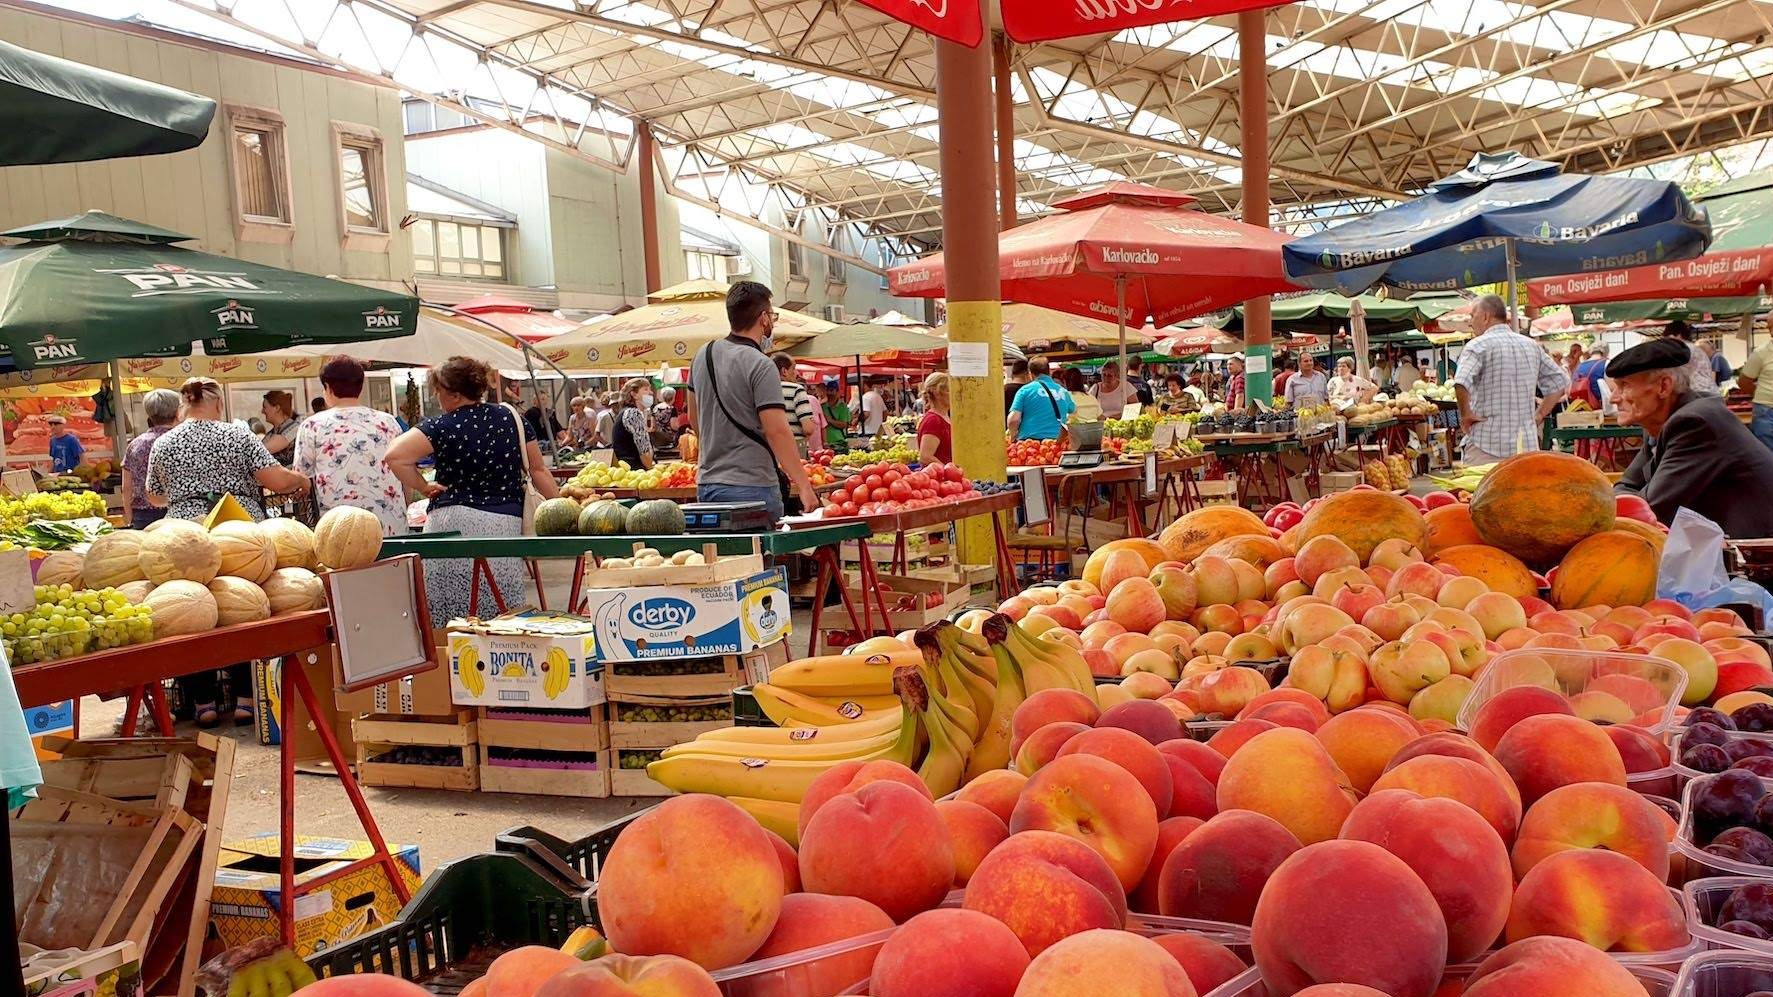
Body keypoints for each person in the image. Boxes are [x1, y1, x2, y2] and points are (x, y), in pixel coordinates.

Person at [149, 377, 311, 727]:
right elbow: (275, 481)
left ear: (183, 404)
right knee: (240, 607)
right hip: (237, 532)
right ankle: (244, 700)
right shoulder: (237, 435)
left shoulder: (165, 442)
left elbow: (154, 495)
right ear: (218, 403)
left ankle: (203, 703)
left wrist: (188, 497)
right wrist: (300, 480)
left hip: (183, 536)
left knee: (188, 614)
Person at [385, 357, 559, 627]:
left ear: (454, 394)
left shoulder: (440, 426)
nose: (437, 396)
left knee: (452, 612)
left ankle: (452, 660)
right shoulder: (512, 418)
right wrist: (560, 510)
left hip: (451, 526)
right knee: (502, 609)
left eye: (439, 390)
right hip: (504, 526)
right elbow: (538, 470)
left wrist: (423, 486)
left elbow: (394, 456)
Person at [1611, 338, 1773, 538]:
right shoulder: (1661, 422)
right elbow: (1626, 488)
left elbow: (1647, 511)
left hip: (1756, 554)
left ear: (1664, 386)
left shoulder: (1695, 423)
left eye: (1624, 385)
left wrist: (1621, 504)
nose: (1614, 398)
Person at [685, 281, 818, 521]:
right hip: (752, 485)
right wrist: (804, 485)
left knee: (725, 558)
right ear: (764, 318)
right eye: (772, 316)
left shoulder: (702, 355)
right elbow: (777, 430)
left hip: (708, 483)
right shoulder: (761, 364)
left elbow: (695, 419)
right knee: (760, 558)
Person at [293, 356, 407, 536]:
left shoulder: (312, 425)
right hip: (392, 526)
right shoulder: (389, 422)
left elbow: (300, 479)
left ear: (328, 388)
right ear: (360, 388)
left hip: (339, 531)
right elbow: (405, 472)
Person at [1452, 294, 1570, 464]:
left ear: (1485, 316)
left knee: (1480, 490)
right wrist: (1539, 415)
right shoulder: (1531, 345)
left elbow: (1461, 381)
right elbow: (1559, 381)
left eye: (1472, 315)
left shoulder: (1477, 345)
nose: (1470, 322)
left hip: (1486, 444)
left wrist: (1466, 415)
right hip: (1526, 446)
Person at [120, 389, 180, 530]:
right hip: (179, 513)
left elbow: (126, 488)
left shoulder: (135, 444)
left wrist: (130, 518)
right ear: (177, 412)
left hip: (143, 516)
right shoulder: (182, 441)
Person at [1007, 356, 1075, 441]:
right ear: (1049, 372)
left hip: (1031, 445)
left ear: (1030, 373)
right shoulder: (1063, 391)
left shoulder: (1025, 390)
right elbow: (1072, 409)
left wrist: (1013, 436)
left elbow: (1014, 420)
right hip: (1058, 443)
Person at [775, 354, 817, 457]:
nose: (797, 373)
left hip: (770, 449)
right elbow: (808, 428)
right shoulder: (796, 390)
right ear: (784, 371)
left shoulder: (762, 390)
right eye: (793, 368)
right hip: (795, 448)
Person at [1663, 321, 1721, 395]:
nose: (1668, 343)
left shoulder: (1682, 350)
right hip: (1710, 392)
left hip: (1698, 395)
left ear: (1679, 335)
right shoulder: (1694, 348)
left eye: (1669, 338)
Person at [612, 377, 656, 470]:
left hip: (626, 469)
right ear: (634, 394)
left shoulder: (625, 412)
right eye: (646, 389)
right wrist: (651, 469)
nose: (651, 393)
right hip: (635, 470)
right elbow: (643, 450)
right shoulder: (634, 413)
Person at [917, 372, 953, 465]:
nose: (954, 393)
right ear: (937, 393)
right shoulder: (933, 421)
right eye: (949, 390)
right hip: (939, 477)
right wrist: (948, 471)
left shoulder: (945, 416)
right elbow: (925, 457)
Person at [260, 391, 301, 467]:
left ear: (277, 408)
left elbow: (261, 451)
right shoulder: (272, 433)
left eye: (264, 407)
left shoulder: (294, 428)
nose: (262, 411)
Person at [820, 377, 852, 453]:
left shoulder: (843, 407)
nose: (829, 393)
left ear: (837, 392)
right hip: (825, 444)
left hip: (839, 443)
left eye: (832, 390)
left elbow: (843, 424)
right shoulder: (822, 406)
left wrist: (829, 420)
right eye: (828, 390)